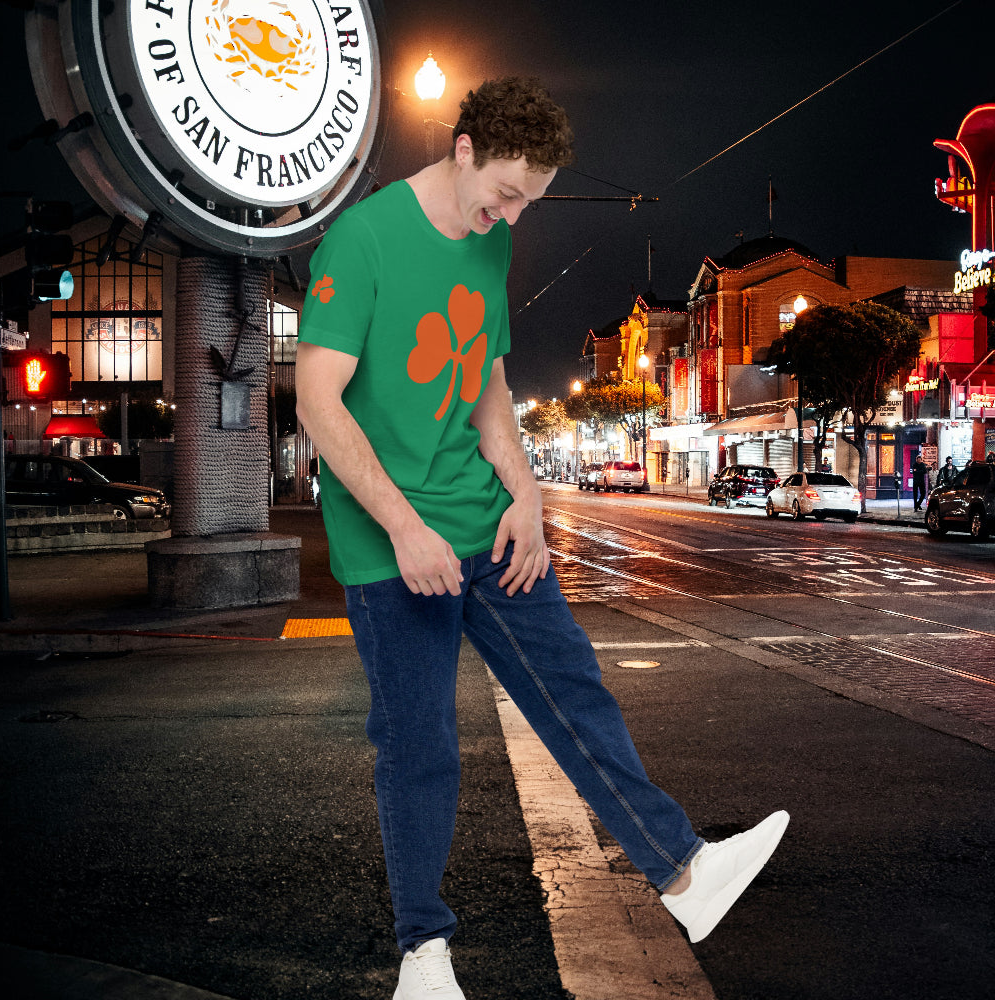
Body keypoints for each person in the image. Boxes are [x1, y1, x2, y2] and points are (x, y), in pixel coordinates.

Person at [295, 77, 788, 1000]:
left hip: (484, 523)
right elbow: (318, 401)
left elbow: (484, 380)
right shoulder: (363, 240)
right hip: (391, 547)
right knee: (420, 745)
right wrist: (402, 528)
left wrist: (524, 497)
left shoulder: (491, 243)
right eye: (508, 192)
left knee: (576, 693)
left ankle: (686, 876)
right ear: (466, 147)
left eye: (532, 200)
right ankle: (424, 957)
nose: (513, 216)